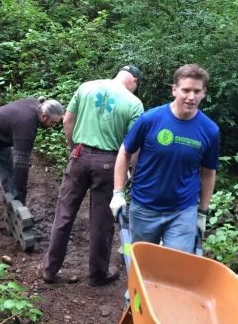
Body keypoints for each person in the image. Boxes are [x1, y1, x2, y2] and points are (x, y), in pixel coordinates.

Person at [41, 65, 144, 286]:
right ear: (133, 81)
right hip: (109, 163)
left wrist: (73, 148)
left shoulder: (86, 87)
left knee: (64, 213)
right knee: (102, 221)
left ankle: (50, 269)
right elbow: (133, 146)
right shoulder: (134, 103)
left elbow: (68, 121)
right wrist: (133, 171)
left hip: (79, 156)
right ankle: (98, 274)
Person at [111, 64, 219, 254]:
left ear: (204, 93)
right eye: (186, 90)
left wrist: (202, 212)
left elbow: (208, 173)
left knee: (175, 267)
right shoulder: (149, 119)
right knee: (141, 261)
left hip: (183, 211)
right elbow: (125, 152)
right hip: (144, 206)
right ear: (174, 90)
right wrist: (118, 193)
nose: (191, 97)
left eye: (197, 91)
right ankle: (138, 285)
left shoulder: (209, 130)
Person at [0, 98, 64, 243]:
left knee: (9, 176)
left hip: (0, 136)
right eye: (53, 122)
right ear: (44, 116)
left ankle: (14, 211)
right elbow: (21, 164)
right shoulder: (27, 124)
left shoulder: (37, 105)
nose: (52, 126)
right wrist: (21, 197)